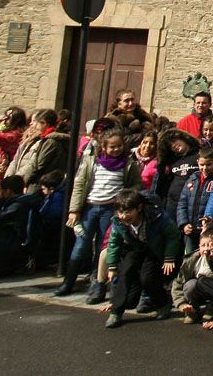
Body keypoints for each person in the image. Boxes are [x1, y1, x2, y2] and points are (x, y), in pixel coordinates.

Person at [57, 127, 143, 299]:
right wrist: (74, 210)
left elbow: (137, 185)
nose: (116, 149)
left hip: (111, 211)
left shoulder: (128, 163)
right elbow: (80, 185)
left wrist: (123, 196)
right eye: (112, 146)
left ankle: (97, 285)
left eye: (119, 146)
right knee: (80, 246)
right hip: (90, 208)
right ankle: (68, 281)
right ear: (103, 146)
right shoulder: (92, 161)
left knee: (103, 249)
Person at [104, 189, 183, 328]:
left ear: (139, 208)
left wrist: (169, 257)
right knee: (125, 272)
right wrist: (112, 266)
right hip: (135, 249)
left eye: (128, 211)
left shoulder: (157, 217)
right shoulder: (118, 221)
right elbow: (114, 242)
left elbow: (173, 236)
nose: (123, 216)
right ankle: (116, 312)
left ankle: (163, 304)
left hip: (154, 250)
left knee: (148, 278)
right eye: (120, 212)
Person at [0, 176, 38, 280]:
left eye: (2, 191)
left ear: (8, 191)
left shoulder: (19, 205)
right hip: (0, 246)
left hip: (11, 251)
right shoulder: (15, 203)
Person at [4, 109, 69, 193]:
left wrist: (23, 182)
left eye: (36, 123)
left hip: (39, 183)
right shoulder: (46, 139)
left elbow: (38, 165)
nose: (34, 126)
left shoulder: (51, 141)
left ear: (44, 123)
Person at [0, 106, 27, 185]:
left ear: (15, 120)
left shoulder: (14, 135)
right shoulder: (10, 132)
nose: (5, 120)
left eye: (8, 118)